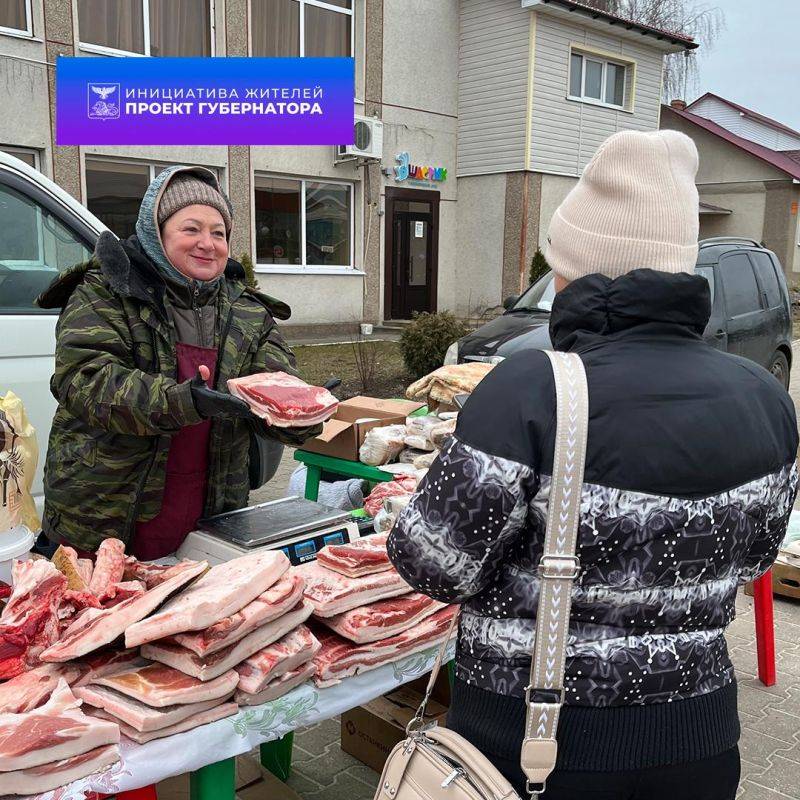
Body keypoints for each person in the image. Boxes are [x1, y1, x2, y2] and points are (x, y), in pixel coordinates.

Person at [387, 130, 798, 799]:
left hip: (533, 744)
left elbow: (436, 564)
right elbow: (752, 561)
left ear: (576, 266)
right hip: (699, 740)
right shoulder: (765, 398)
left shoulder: (530, 390)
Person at [37, 166, 320, 560]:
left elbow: (276, 382)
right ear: (157, 232)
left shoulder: (247, 311)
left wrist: (302, 413)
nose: (207, 243)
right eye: (191, 229)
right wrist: (185, 401)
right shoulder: (106, 293)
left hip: (212, 514)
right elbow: (86, 381)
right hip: (106, 517)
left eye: (218, 233)